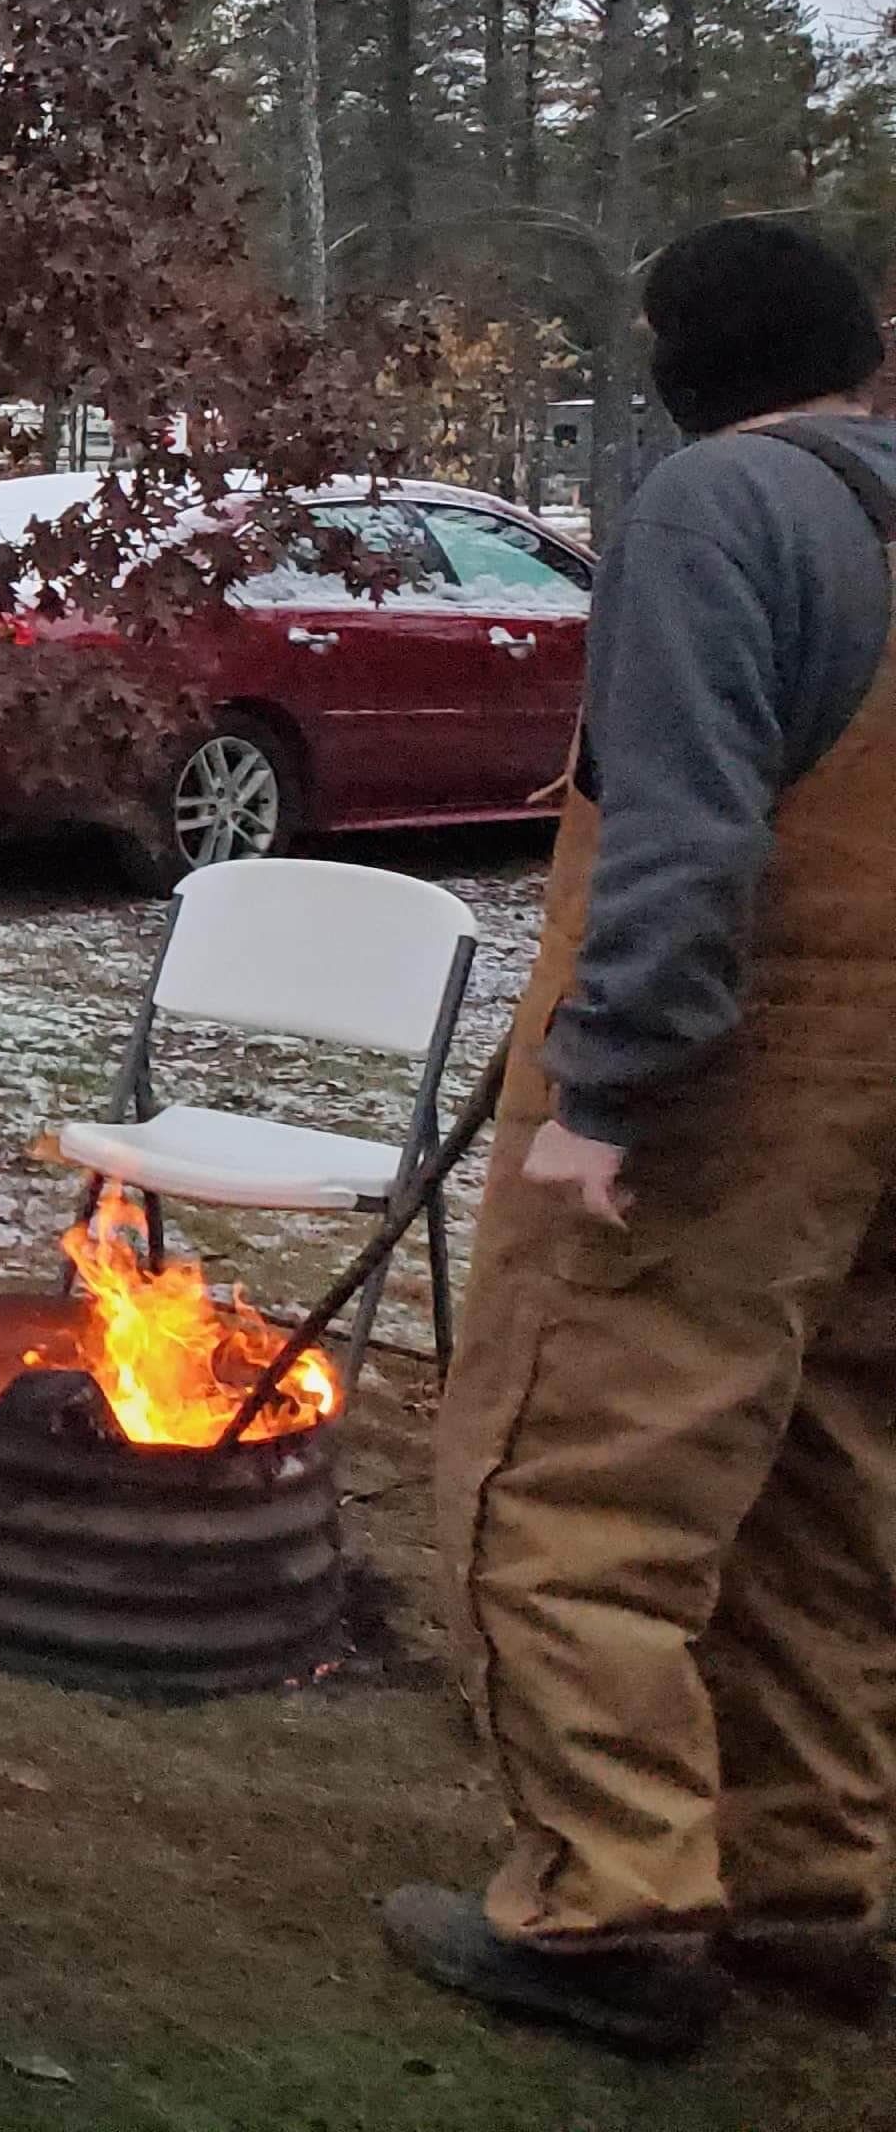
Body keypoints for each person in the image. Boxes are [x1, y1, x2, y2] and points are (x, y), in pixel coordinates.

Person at [384, 216, 896, 2058]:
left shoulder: (717, 506)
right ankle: (811, 1887)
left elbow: (688, 839)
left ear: (681, 366)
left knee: (562, 1483)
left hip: (731, 1088)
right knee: (820, 1488)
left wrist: (606, 1090)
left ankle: (608, 1908)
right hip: (877, 1135)